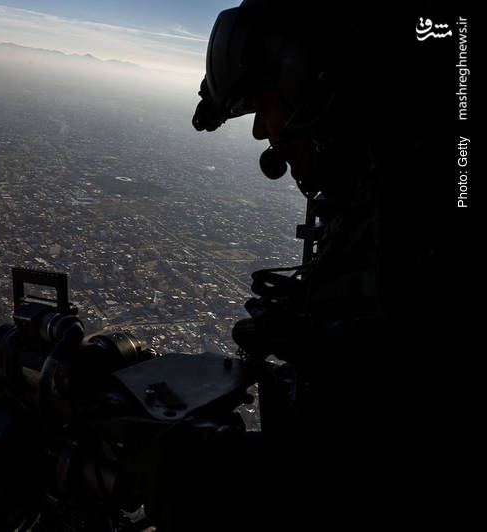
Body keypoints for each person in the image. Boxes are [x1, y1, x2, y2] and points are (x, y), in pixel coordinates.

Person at [138, 0, 456, 528]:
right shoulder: (389, 190)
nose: (262, 130)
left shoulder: (425, 211)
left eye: (263, 103)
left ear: (307, 81)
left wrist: (213, 469)